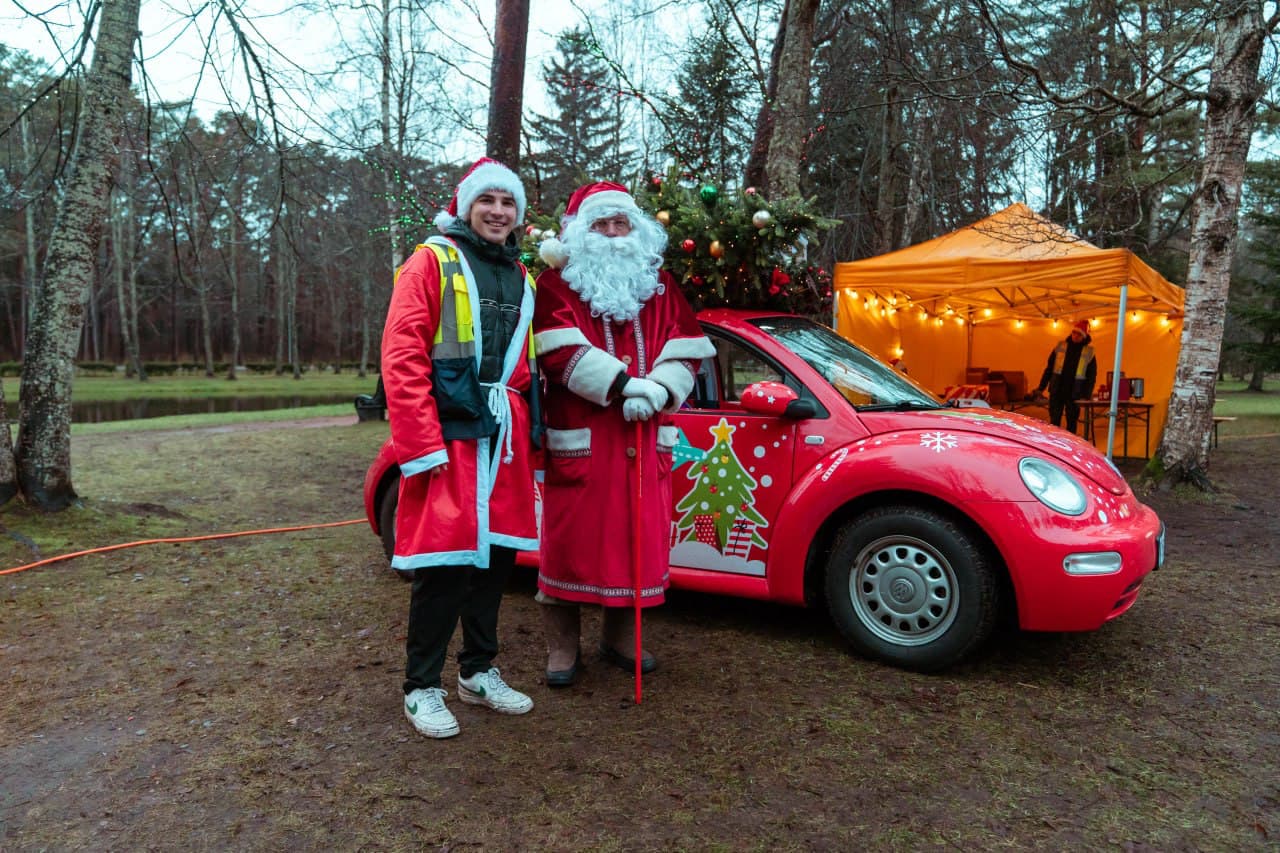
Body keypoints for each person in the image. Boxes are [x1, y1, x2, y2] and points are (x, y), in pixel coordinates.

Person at [531, 181, 715, 687]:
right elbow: (557, 350)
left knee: (638, 545)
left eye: (621, 224)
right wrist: (623, 385)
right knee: (570, 547)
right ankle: (562, 646)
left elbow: (688, 348)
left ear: (637, 231)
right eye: (601, 225)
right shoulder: (557, 285)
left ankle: (620, 637)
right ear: (580, 233)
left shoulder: (659, 286)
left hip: (645, 440)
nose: (613, 235)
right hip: (584, 442)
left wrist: (657, 390)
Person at [381, 157, 540, 738]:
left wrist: (531, 437)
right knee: (441, 564)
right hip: (450, 433)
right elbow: (402, 356)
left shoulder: (522, 275)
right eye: (488, 200)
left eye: (508, 203)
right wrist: (420, 444)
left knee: (496, 560)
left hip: (504, 435)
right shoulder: (432, 261)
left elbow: (528, 367)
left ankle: (477, 672)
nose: (498, 212)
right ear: (467, 204)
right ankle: (422, 686)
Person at [1031, 319, 1097, 434]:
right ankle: (1053, 447)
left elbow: (1091, 376)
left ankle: (1070, 449)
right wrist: (1041, 388)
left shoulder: (1089, 352)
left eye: (1079, 334)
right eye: (1074, 333)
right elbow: (1049, 369)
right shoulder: (1060, 347)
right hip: (1057, 391)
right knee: (1054, 423)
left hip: (1075, 394)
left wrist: (1086, 395)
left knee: (1071, 424)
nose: (1075, 336)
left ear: (1084, 337)